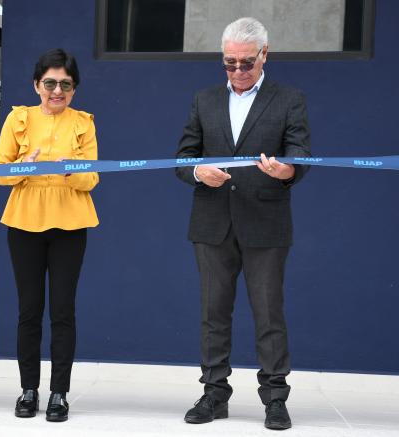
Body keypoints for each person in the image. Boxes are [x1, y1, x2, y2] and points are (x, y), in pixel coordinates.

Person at [175, 17, 311, 430]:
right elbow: (183, 157)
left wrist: (285, 171)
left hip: (265, 222)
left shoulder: (289, 99)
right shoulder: (204, 100)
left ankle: (275, 397)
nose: (237, 71)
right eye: (229, 63)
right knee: (213, 313)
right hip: (212, 221)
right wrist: (199, 173)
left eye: (245, 63)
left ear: (264, 55)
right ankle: (214, 394)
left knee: (269, 313)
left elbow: (300, 156)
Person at [0, 48, 99, 422]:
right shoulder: (18, 119)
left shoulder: (84, 123)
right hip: (24, 221)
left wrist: (71, 170)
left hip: (70, 223)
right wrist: (24, 165)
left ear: (74, 88)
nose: (58, 90)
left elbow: (92, 178)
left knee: (62, 311)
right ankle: (28, 390)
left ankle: (59, 393)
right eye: (50, 83)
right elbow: (0, 174)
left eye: (65, 85)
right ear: (37, 85)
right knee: (28, 310)